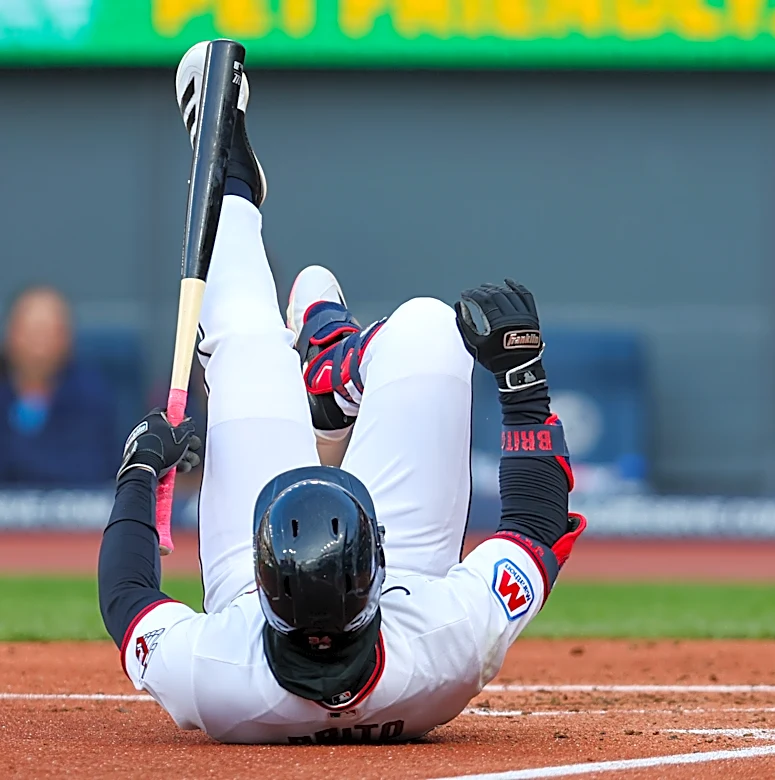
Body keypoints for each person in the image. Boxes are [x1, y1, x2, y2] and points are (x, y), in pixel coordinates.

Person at [98, 41, 586, 745]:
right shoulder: (443, 643)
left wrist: (140, 471)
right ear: (376, 563)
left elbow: (128, 601)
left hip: (260, 605)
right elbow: (538, 526)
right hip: (409, 590)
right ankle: (336, 363)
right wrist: (520, 376)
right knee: (430, 330)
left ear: (264, 577)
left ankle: (232, 189)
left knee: (246, 341)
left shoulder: (217, 670)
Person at [0, 286, 116, 486]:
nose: (38, 345)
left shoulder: (91, 397)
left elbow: (93, 471)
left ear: (67, 339)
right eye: (30, 332)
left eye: (49, 332)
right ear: (10, 335)